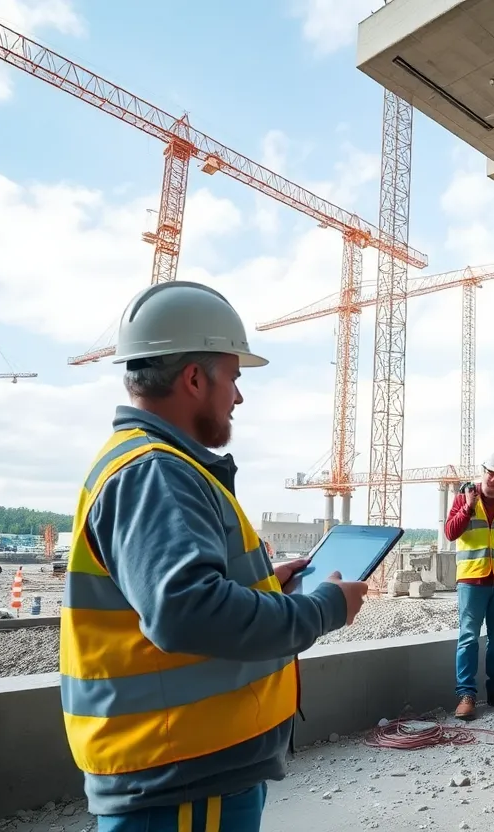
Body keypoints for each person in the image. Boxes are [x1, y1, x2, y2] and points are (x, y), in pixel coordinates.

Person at [59, 281, 369, 832]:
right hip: (180, 775)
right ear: (194, 379)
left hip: (187, 769)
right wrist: (324, 609)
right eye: (234, 377)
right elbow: (187, 612)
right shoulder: (156, 473)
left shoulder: (154, 465)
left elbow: (175, 596)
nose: (239, 397)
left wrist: (264, 588)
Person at [444, 448, 494, 720]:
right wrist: (468, 507)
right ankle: (466, 695)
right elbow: (450, 532)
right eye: (491, 474)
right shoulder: (463, 498)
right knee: (468, 637)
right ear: (483, 471)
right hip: (472, 579)